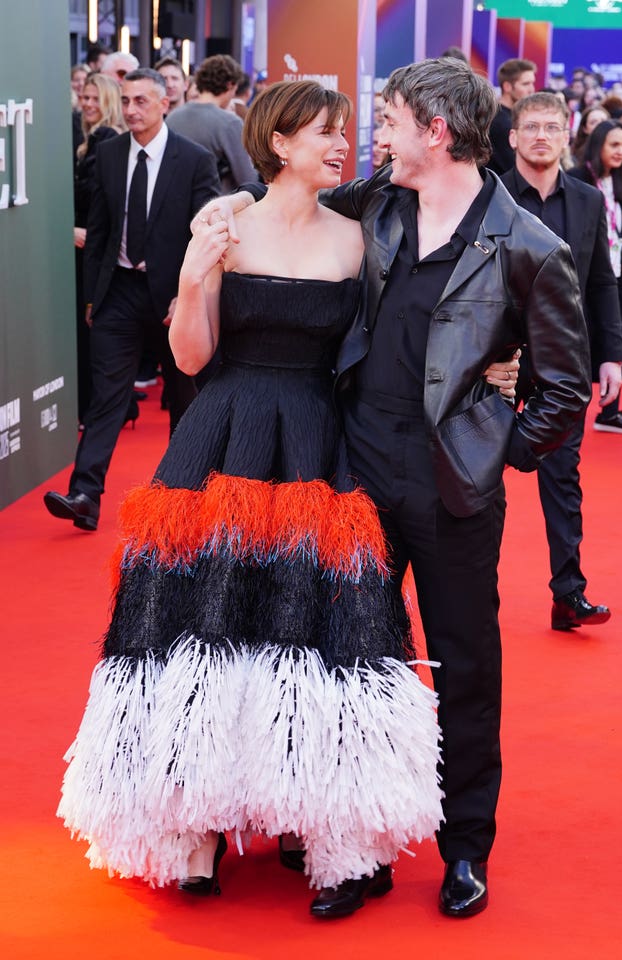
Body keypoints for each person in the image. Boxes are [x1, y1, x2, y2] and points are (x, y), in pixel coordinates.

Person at [55, 79, 445, 919]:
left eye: (346, 132)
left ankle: (318, 819)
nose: (343, 146)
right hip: (223, 436)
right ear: (279, 144)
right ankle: (197, 827)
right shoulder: (225, 227)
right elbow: (190, 362)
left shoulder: (358, 239)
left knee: (315, 624)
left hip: (317, 443)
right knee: (205, 619)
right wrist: (194, 280)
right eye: (325, 134)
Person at [213, 57, 591, 917]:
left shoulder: (529, 244)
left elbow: (565, 390)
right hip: (354, 472)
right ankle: (359, 847)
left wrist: (499, 449)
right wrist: (223, 211)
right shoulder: (378, 202)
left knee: (464, 667)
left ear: (437, 131)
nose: (370, 137)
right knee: (355, 664)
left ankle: (466, 848)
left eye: (385, 120)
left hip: (455, 494)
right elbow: (286, 203)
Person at [43, 68, 219, 532]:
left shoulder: (194, 159)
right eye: (125, 100)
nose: (131, 109)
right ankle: (84, 495)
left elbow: (205, 235)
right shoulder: (108, 154)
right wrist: (92, 297)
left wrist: (190, 294)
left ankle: (187, 496)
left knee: (184, 397)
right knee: (106, 397)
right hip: (119, 290)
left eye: (141, 100)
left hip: (173, 295)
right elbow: (99, 231)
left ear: (165, 104)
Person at [502, 92, 622, 629]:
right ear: (513, 135)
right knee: (476, 480)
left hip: (562, 364)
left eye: (552, 126)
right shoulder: (490, 194)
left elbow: (601, 282)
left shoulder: (588, 200)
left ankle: (568, 592)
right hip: (495, 361)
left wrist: (612, 354)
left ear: (566, 132)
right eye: (531, 126)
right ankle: (474, 590)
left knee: (563, 477)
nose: (541, 136)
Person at [570, 120, 622, 433]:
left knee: (616, 341)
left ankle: (610, 411)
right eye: (613, 145)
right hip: (580, 277)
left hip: (614, 276)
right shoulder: (576, 180)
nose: (620, 152)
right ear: (598, 145)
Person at [73, 73, 125, 425]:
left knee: (92, 329)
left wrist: (83, 231)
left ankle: (95, 408)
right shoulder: (90, 140)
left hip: (91, 247)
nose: (88, 103)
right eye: (85, 97)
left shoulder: (106, 139)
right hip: (88, 245)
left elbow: (102, 204)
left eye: (95, 98)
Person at [166, 54, 256, 194]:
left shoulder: (172, 118)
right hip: (215, 206)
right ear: (230, 85)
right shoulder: (229, 123)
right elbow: (247, 179)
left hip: (174, 202)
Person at [487, 58, 536, 175]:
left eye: (532, 83)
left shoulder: (512, 116)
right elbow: (515, 168)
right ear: (507, 86)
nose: (531, 89)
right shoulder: (500, 122)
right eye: (525, 84)